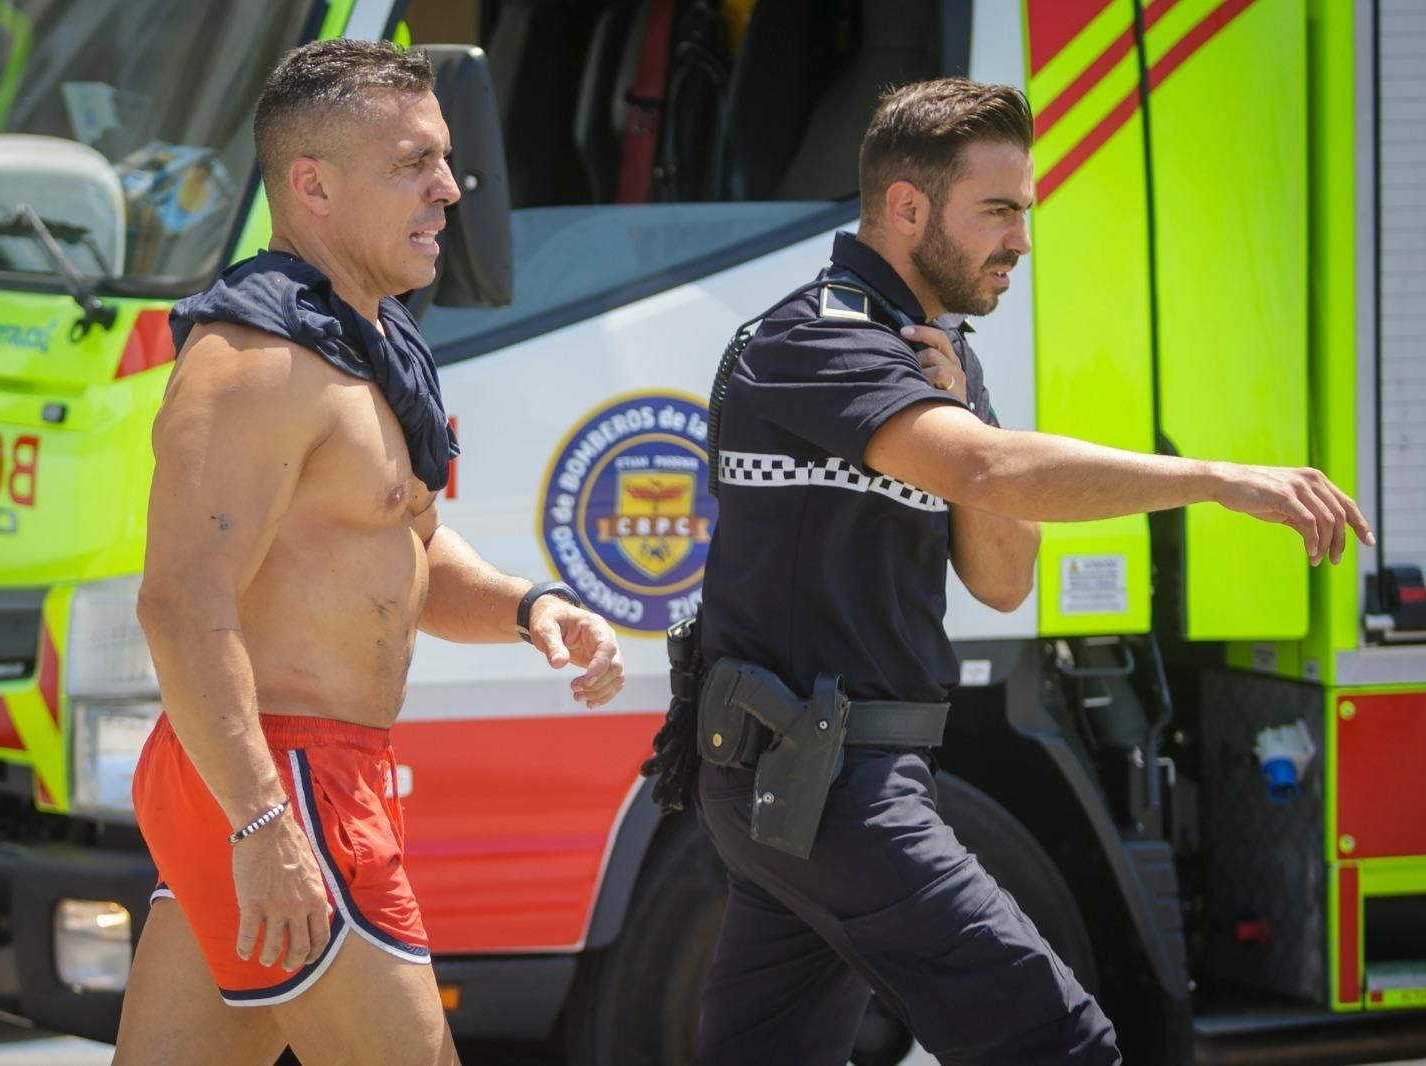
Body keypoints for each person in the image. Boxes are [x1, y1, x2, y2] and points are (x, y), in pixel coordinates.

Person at [687, 77, 1371, 1065]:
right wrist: (1219, 480)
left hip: (826, 777)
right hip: (827, 782)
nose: (1020, 240)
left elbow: (1000, 576)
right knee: (1061, 1045)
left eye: (1024, 211)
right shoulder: (816, 336)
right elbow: (986, 468)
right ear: (907, 208)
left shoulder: (935, 359)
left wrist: (965, 406)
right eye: (998, 211)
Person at [112, 40, 625, 1066]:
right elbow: (180, 603)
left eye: (443, 158)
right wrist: (264, 825)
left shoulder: (368, 344)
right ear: (312, 185)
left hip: (291, 778)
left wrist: (532, 608)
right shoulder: (253, 364)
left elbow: (414, 556)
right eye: (411, 165)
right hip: (282, 778)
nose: (449, 188)